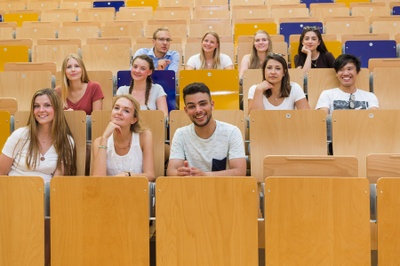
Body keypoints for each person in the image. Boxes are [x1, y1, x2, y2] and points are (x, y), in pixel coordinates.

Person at [167, 82, 246, 176]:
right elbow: (171, 172)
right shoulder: (181, 134)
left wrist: (204, 176)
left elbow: (240, 172)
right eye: (192, 106)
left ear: (212, 105)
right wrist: (182, 174)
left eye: (203, 104)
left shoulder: (232, 132)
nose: (198, 110)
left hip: (224, 189)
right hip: (190, 189)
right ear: (186, 110)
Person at [0, 88, 77, 180]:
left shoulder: (66, 141)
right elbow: (1, 173)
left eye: (47, 105)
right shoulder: (19, 135)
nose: (41, 110)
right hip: (15, 190)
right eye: (36, 106)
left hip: (45, 192)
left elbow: (57, 183)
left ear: (57, 109)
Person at [91, 95, 155, 182]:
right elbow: (97, 180)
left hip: (136, 191)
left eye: (126, 111)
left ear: (134, 119)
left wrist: (127, 176)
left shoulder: (144, 136)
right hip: (109, 193)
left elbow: (150, 175)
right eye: (116, 108)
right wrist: (105, 137)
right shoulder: (99, 141)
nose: (119, 112)